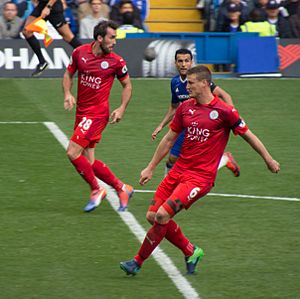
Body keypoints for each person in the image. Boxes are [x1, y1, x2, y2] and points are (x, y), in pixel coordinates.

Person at [120, 65, 280, 276]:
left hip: (199, 179)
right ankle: (190, 251)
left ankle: (137, 262)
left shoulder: (225, 111)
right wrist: (150, 167)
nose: (187, 86)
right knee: (152, 216)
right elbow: (169, 139)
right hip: (178, 171)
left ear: (205, 83)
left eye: (191, 82)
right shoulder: (185, 107)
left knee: (161, 216)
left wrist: (268, 159)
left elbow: (248, 135)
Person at [63, 20, 134, 212]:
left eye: (115, 38)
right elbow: (69, 74)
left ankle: (96, 189)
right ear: (99, 38)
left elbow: (127, 85)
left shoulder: (116, 62)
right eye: (111, 38)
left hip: (97, 115)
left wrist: (121, 108)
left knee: (72, 152)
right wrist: (68, 94)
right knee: (90, 163)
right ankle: (122, 188)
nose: (114, 42)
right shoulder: (79, 53)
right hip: (82, 113)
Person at [152, 49, 240, 177]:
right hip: (186, 123)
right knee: (174, 159)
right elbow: (174, 107)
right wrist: (161, 125)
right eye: (180, 61)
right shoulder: (175, 82)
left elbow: (224, 95)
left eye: (186, 61)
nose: (183, 64)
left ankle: (170, 192)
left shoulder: (199, 81)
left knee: (191, 163)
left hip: (201, 123)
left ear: (191, 62)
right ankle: (224, 159)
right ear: (175, 63)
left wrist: (233, 117)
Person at [22, 0, 82, 77]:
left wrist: (48, 7)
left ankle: (90, 56)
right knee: (27, 31)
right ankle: (42, 62)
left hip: (52, 7)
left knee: (68, 36)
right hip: (42, 4)